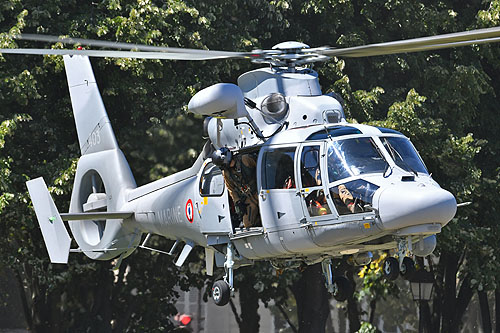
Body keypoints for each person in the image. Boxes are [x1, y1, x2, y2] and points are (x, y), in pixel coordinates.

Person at [219, 151, 260, 229]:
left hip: (259, 192)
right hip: (249, 197)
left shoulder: (245, 159)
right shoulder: (226, 172)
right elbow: (231, 189)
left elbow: (261, 166)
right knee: (247, 223)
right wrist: (238, 201)